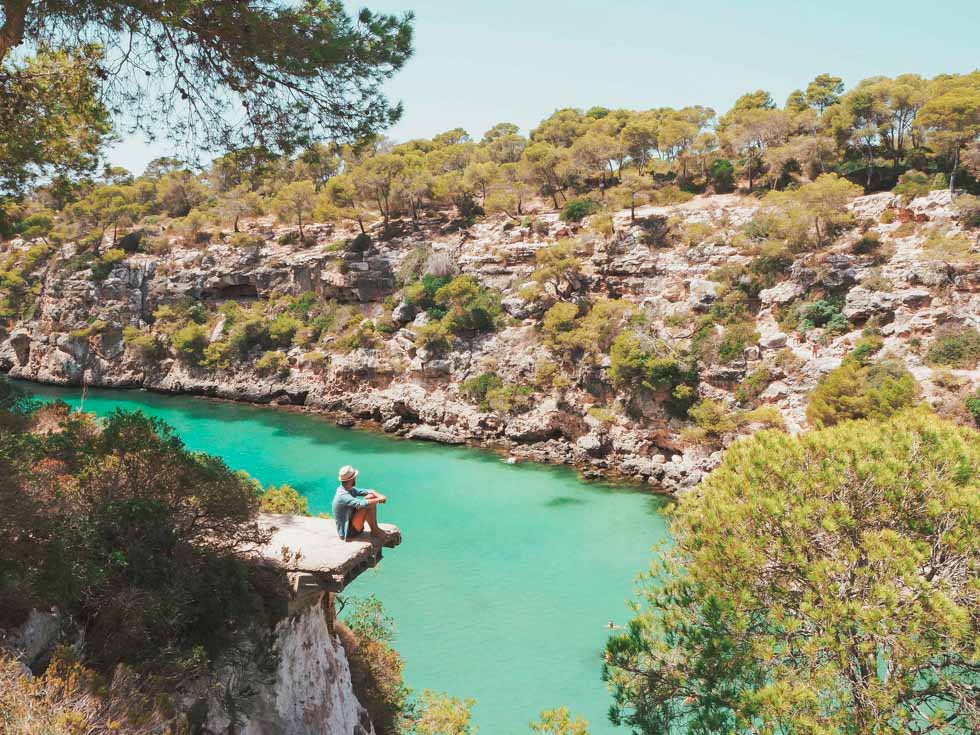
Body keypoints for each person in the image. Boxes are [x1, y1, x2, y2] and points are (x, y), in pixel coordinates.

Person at [332, 465, 389, 542]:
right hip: (348, 532)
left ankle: (375, 529)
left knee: (370, 497)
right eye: (355, 477)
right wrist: (379, 499)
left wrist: (381, 496)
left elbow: (370, 491)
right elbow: (361, 504)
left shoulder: (348, 489)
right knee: (367, 503)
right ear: (352, 479)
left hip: (353, 524)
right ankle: (375, 530)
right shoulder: (342, 495)